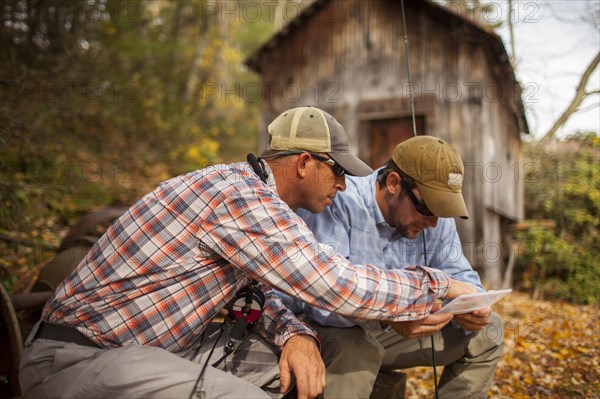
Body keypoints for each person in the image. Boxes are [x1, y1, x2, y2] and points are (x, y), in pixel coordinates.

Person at [19, 108, 477, 399]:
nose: (343, 185)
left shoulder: (248, 193)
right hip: (77, 359)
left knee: (304, 375)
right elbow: (335, 283)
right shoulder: (240, 199)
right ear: (303, 163)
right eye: (337, 173)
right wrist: (435, 284)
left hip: (147, 350)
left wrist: (295, 336)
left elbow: (255, 294)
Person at [285, 135, 505, 399]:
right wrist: (391, 312)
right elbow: (322, 299)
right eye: (428, 208)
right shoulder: (338, 200)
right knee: (357, 348)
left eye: (442, 211)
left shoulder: (435, 220)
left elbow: (460, 274)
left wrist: (474, 304)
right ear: (393, 183)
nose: (434, 222)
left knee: (488, 331)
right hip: (329, 328)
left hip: (391, 333)